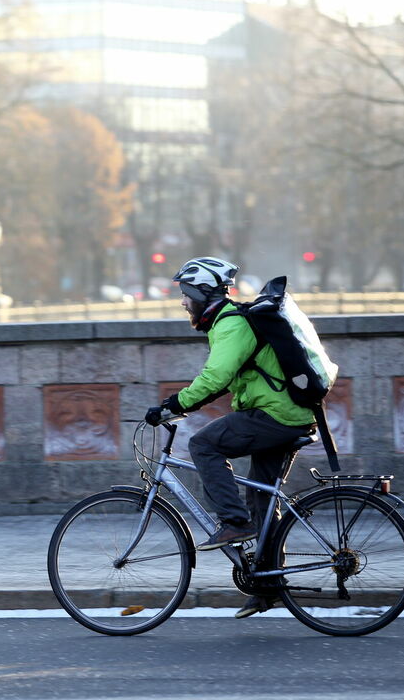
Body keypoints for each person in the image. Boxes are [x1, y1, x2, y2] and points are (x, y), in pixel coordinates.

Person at [145, 256, 317, 619]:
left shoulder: (231, 324)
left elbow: (215, 378)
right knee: (260, 497)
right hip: (286, 414)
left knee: (203, 444)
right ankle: (267, 585)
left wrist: (172, 405)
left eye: (186, 295)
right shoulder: (231, 322)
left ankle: (234, 523)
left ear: (203, 294)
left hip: (277, 415)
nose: (183, 302)